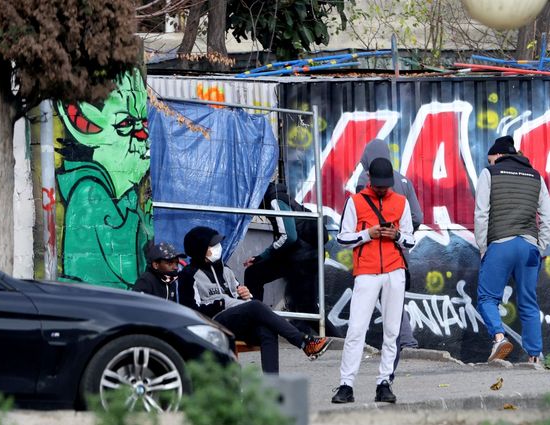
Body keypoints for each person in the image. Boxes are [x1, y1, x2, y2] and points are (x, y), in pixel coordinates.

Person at [181, 226, 331, 373]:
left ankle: (271, 389)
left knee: (266, 330)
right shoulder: (189, 275)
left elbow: (237, 296)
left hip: (234, 322)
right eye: (213, 245)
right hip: (212, 323)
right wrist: (220, 303)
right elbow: (191, 311)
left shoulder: (225, 269)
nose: (218, 247)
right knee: (255, 307)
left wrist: (245, 294)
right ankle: (304, 342)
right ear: (200, 250)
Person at [331, 157, 415, 404]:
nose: (381, 189)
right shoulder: (355, 202)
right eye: (378, 184)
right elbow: (342, 239)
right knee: (356, 329)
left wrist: (396, 235)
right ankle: (346, 384)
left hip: (394, 271)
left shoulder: (401, 202)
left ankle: (384, 382)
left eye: (385, 185)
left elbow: (411, 240)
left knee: (392, 331)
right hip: (366, 271)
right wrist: (368, 234)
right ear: (369, 179)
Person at [473, 135, 550, 367]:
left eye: (491, 159)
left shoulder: (490, 173)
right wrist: (541, 247)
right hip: (529, 247)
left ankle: (499, 337)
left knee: (487, 298)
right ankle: (534, 357)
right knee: (528, 301)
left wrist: (483, 247)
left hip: (501, 244)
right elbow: (548, 218)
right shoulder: (536, 176)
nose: (490, 163)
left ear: (498, 155)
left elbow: (481, 214)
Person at [355, 139, 422, 381]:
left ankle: (406, 342)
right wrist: (400, 233)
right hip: (400, 249)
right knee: (396, 298)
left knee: (380, 302)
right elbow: (418, 216)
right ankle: (406, 341)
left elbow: (360, 215)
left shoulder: (366, 180)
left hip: (374, 252)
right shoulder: (403, 179)